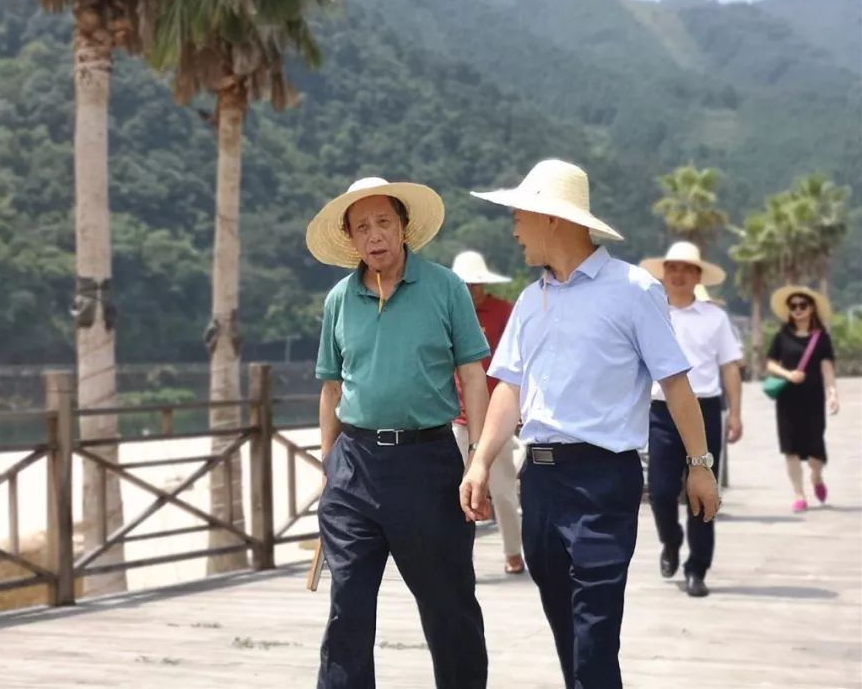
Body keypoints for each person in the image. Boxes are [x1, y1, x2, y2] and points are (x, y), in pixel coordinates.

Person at [458, 159, 720, 689]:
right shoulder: (532, 301)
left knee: (595, 635)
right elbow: (508, 388)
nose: (512, 227)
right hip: (542, 482)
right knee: (568, 634)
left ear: (552, 218)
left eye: (519, 215)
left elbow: (675, 384)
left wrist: (700, 464)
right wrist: (481, 460)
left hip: (605, 481)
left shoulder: (633, 289)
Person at [307, 177, 491, 689]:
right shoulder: (339, 300)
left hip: (428, 464)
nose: (374, 235)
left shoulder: (445, 287)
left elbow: (473, 373)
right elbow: (330, 388)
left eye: (383, 222)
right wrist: (329, 465)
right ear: (351, 239)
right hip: (354, 468)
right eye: (361, 227)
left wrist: (477, 456)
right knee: (348, 608)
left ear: (404, 227)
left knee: (448, 606)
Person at [640, 241, 743, 598]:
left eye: (686, 268)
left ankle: (698, 567)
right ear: (663, 273)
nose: (678, 274)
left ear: (698, 276)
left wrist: (736, 414)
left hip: (705, 410)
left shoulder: (715, 317)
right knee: (661, 490)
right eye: (672, 267)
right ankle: (671, 540)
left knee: (702, 491)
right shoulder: (650, 313)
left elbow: (729, 366)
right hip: (660, 411)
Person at [450, 250, 525, 574]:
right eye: (467, 284)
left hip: (496, 417)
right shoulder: (446, 313)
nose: (473, 290)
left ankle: (513, 552)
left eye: (477, 283)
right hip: (456, 416)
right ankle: (459, 558)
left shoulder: (503, 311)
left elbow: (519, 361)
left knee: (504, 490)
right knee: (455, 492)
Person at [765, 285, 839, 512]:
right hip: (787, 400)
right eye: (793, 306)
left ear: (811, 309)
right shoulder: (782, 336)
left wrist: (833, 393)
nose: (797, 309)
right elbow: (770, 364)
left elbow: (827, 368)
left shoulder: (821, 338)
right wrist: (789, 374)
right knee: (791, 448)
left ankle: (816, 477)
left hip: (814, 399)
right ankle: (799, 494)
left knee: (816, 448)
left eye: (802, 305)